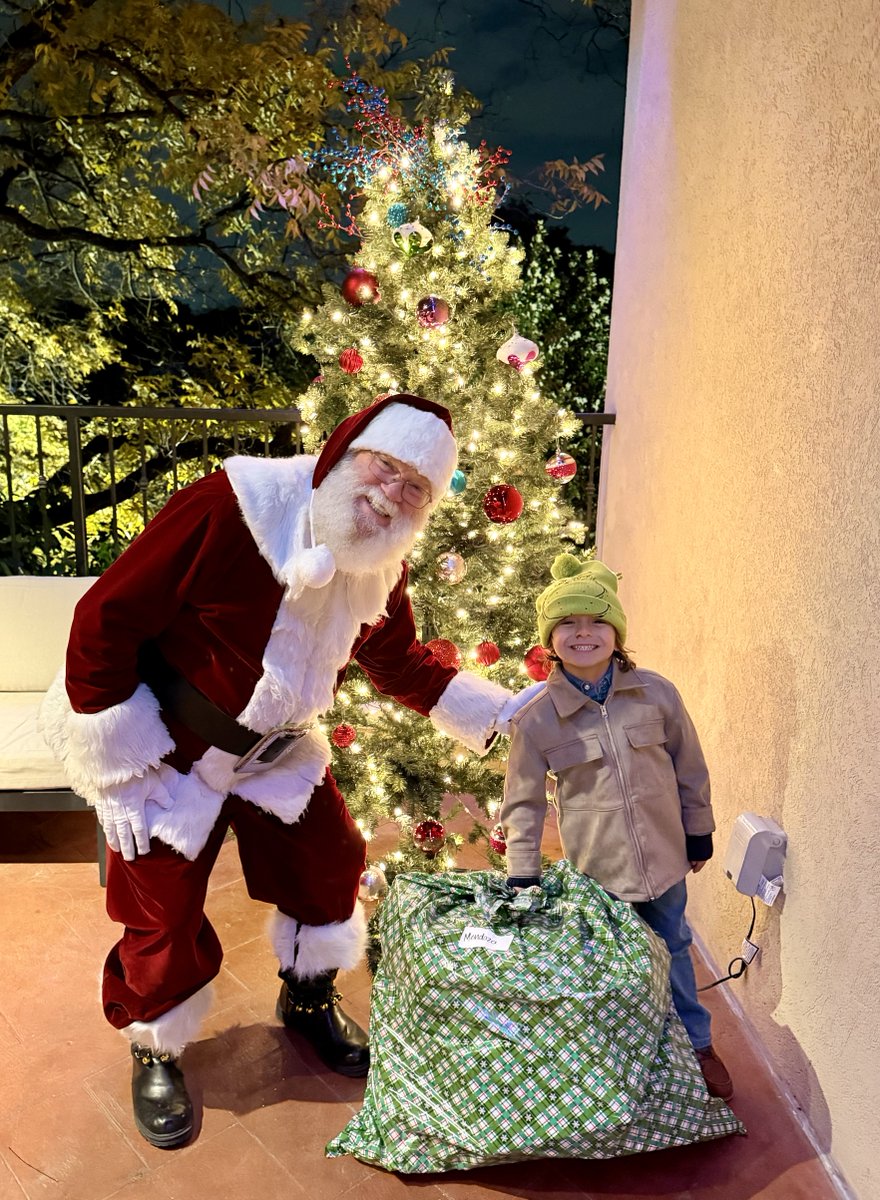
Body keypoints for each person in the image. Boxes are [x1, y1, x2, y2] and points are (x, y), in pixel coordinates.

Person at [42, 393, 536, 1149]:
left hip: (276, 747)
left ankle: (306, 1001)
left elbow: (397, 661)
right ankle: (155, 1043)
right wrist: (114, 762)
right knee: (160, 909)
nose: (391, 493)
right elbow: (105, 618)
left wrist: (503, 715)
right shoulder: (229, 506)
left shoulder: (381, 564)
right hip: (167, 746)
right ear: (345, 451)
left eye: (416, 487)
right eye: (385, 465)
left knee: (330, 860)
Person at [499, 553, 734, 1102]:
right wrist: (523, 874)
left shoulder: (657, 693)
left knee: (674, 946)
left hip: (665, 859)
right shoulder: (535, 720)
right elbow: (524, 803)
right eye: (569, 624)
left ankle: (697, 1044)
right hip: (598, 873)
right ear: (550, 639)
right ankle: (623, 1057)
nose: (584, 634)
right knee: (611, 968)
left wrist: (698, 831)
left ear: (616, 631)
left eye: (596, 621)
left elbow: (689, 766)